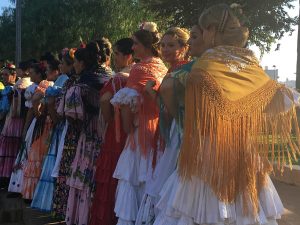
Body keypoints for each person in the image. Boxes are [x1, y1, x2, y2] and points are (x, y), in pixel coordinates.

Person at [153, 4, 298, 225]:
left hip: (206, 157)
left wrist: (182, 121)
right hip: (246, 157)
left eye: (202, 30)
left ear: (211, 30)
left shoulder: (202, 68)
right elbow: (282, 101)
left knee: (198, 213)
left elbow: (166, 89)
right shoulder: (252, 67)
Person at [110, 22, 168, 225]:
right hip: (159, 133)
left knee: (133, 181)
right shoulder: (162, 67)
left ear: (145, 44)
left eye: (135, 43)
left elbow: (127, 105)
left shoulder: (139, 69)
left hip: (139, 133)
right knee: (152, 182)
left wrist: (128, 129)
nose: (132, 48)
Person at [135, 26, 192, 225]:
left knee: (170, 178)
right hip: (172, 129)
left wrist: (152, 93)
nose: (166, 50)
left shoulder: (183, 71)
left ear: (184, 48)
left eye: (172, 45)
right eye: (163, 45)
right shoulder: (175, 70)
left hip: (179, 130)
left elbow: (171, 107)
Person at [64, 40, 111, 225]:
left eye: (76, 61)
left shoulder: (80, 86)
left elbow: (72, 119)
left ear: (84, 62)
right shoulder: (112, 77)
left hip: (88, 140)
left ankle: (83, 219)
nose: (74, 64)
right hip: (109, 139)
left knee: (85, 181)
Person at [89, 37, 134, 225]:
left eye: (117, 54)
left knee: (112, 175)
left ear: (129, 56)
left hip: (116, 131)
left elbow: (104, 100)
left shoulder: (118, 78)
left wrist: (109, 119)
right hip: (135, 131)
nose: (114, 58)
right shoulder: (143, 75)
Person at [0, 63, 19, 185]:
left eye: (6, 75)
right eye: (2, 75)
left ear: (14, 76)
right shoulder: (5, 89)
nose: (3, 77)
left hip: (9, 123)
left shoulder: (13, 90)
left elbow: (7, 109)